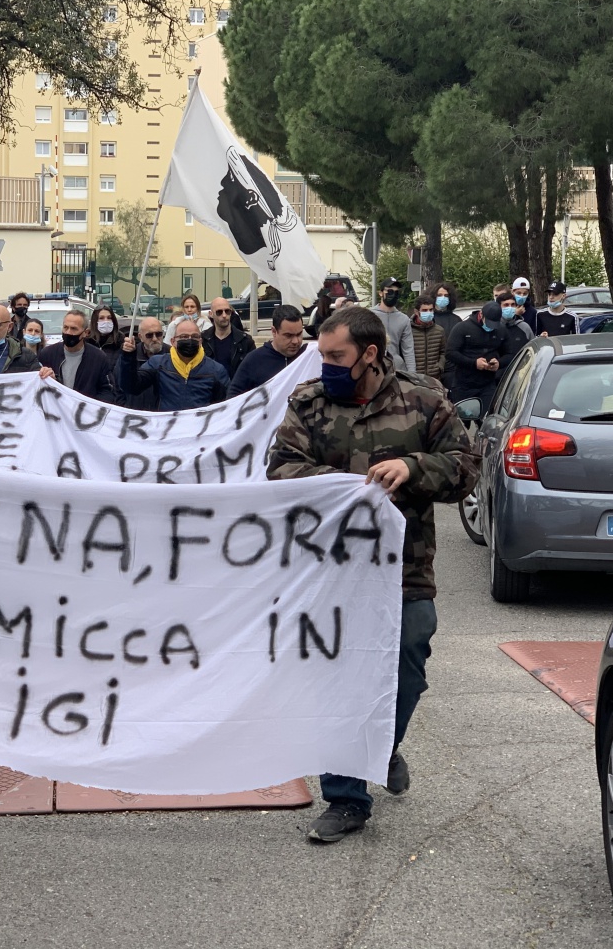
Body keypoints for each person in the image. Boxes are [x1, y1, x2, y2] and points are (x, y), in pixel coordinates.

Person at [266, 306, 478, 843]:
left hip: (404, 569)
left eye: (336, 356)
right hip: (331, 572)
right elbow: (281, 467)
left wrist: (413, 468)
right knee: (340, 682)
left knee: (409, 662)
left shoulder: (423, 400)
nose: (325, 364)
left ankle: (381, 747)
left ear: (370, 354)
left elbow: (466, 467)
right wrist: (348, 483)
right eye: (321, 353)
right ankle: (346, 798)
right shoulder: (309, 404)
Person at [119, 318, 229, 410]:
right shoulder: (158, 364)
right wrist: (128, 357)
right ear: (173, 342)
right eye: (184, 337)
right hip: (167, 430)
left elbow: (227, 406)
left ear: (200, 341)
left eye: (194, 337)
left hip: (200, 432)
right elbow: (131, 387)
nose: (189, 340)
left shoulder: (216, 370)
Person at [38, 309, 116, 402]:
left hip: (84, 413)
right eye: (65, 327)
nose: (68, 332)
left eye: (74, 329)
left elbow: (108, 391)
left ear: (86, 333)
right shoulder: (47, 354)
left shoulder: (98, 358)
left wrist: (89, 407)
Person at [229, 305, 305, 395]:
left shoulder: (307, 356)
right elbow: (233, 397)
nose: (296, 341)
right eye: (289, 336)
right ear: (274, 331)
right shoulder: (254, 360)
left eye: (299, 334)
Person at [446, 302, 505, 412]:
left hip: (487, 384)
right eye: (488, 323)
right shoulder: (462, 328)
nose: (490, 327)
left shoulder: (501, 329)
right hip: (464, 384)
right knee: (463, 420)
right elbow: (450, 353)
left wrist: (499, 363)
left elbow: (509, 352)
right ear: (481, 314)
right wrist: (473, 363)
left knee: (487, 417)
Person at [117, 316, 164, 409]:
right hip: (135, 415)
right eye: (149, 335)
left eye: (158, 334)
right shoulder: (128, 357)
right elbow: (118, 387)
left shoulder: (172, 355)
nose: (155, 339)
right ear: (140, 337)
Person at [371, 276, 416, 372]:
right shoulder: (370, 315)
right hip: (373, 367)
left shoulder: (404, 319)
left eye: (396, 292)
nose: (393, 295)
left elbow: (408, 350)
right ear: (381, 293)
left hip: (396, 368)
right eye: (390, 291)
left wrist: (412, 375)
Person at [203, 296, 255, 378]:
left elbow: (253, 371)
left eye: (227, 311)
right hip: (210, 388)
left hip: (237, 388)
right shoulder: (203, 340)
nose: (224, 315)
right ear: (211, 314)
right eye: (219, 312)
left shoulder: (245, 341)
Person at [409, 293, 447, 384]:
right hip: (414, 380)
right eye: (424, 310)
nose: (428, 313)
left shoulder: (439, 330)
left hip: (434, 379)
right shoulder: (408, 330)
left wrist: (440, 367)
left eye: (431, 310)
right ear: (416, 311)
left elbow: (444, 352)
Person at [497, 291, 532, 370]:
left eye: (513, 305)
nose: (510, 307)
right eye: (506, 305)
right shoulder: (493, 328)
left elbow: (532, 351)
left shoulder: (524, 327)